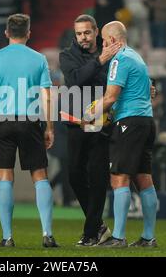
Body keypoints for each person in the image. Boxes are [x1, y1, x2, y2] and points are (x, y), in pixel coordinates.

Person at [0, 13, 58, 248]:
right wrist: (49, 127)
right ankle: (47, 234)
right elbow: (47, 96)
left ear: (6, 33)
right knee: (40, 176)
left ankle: (7, 237)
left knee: (4, 178)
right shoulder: (39, 59)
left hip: (2, 121)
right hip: (30, 121)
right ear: (29, 33)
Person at [82, 21, 158, 248]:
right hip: (145, 122)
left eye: (104, 41)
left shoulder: (120, 59)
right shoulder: (137, 57)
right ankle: (148, 237)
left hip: (128, 123)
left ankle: (118, 237)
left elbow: (111, 98)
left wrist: (89, 115)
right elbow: (148, 90)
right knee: (144, 179)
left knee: (119, 177)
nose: (103, 45)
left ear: (112, 40)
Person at [59, 14, 119, 246]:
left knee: (97, 176)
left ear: (96, 32)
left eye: (87, 32)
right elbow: (75, 81)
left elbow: (121, 77)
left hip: (101, 123)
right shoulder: (67, 55)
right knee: (74, 175)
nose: (83, 37)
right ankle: (99, 226)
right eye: (79, 33)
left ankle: (90, 232)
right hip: (75, 121)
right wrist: (100, 61)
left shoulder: (110, 52)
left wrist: (150, 84)